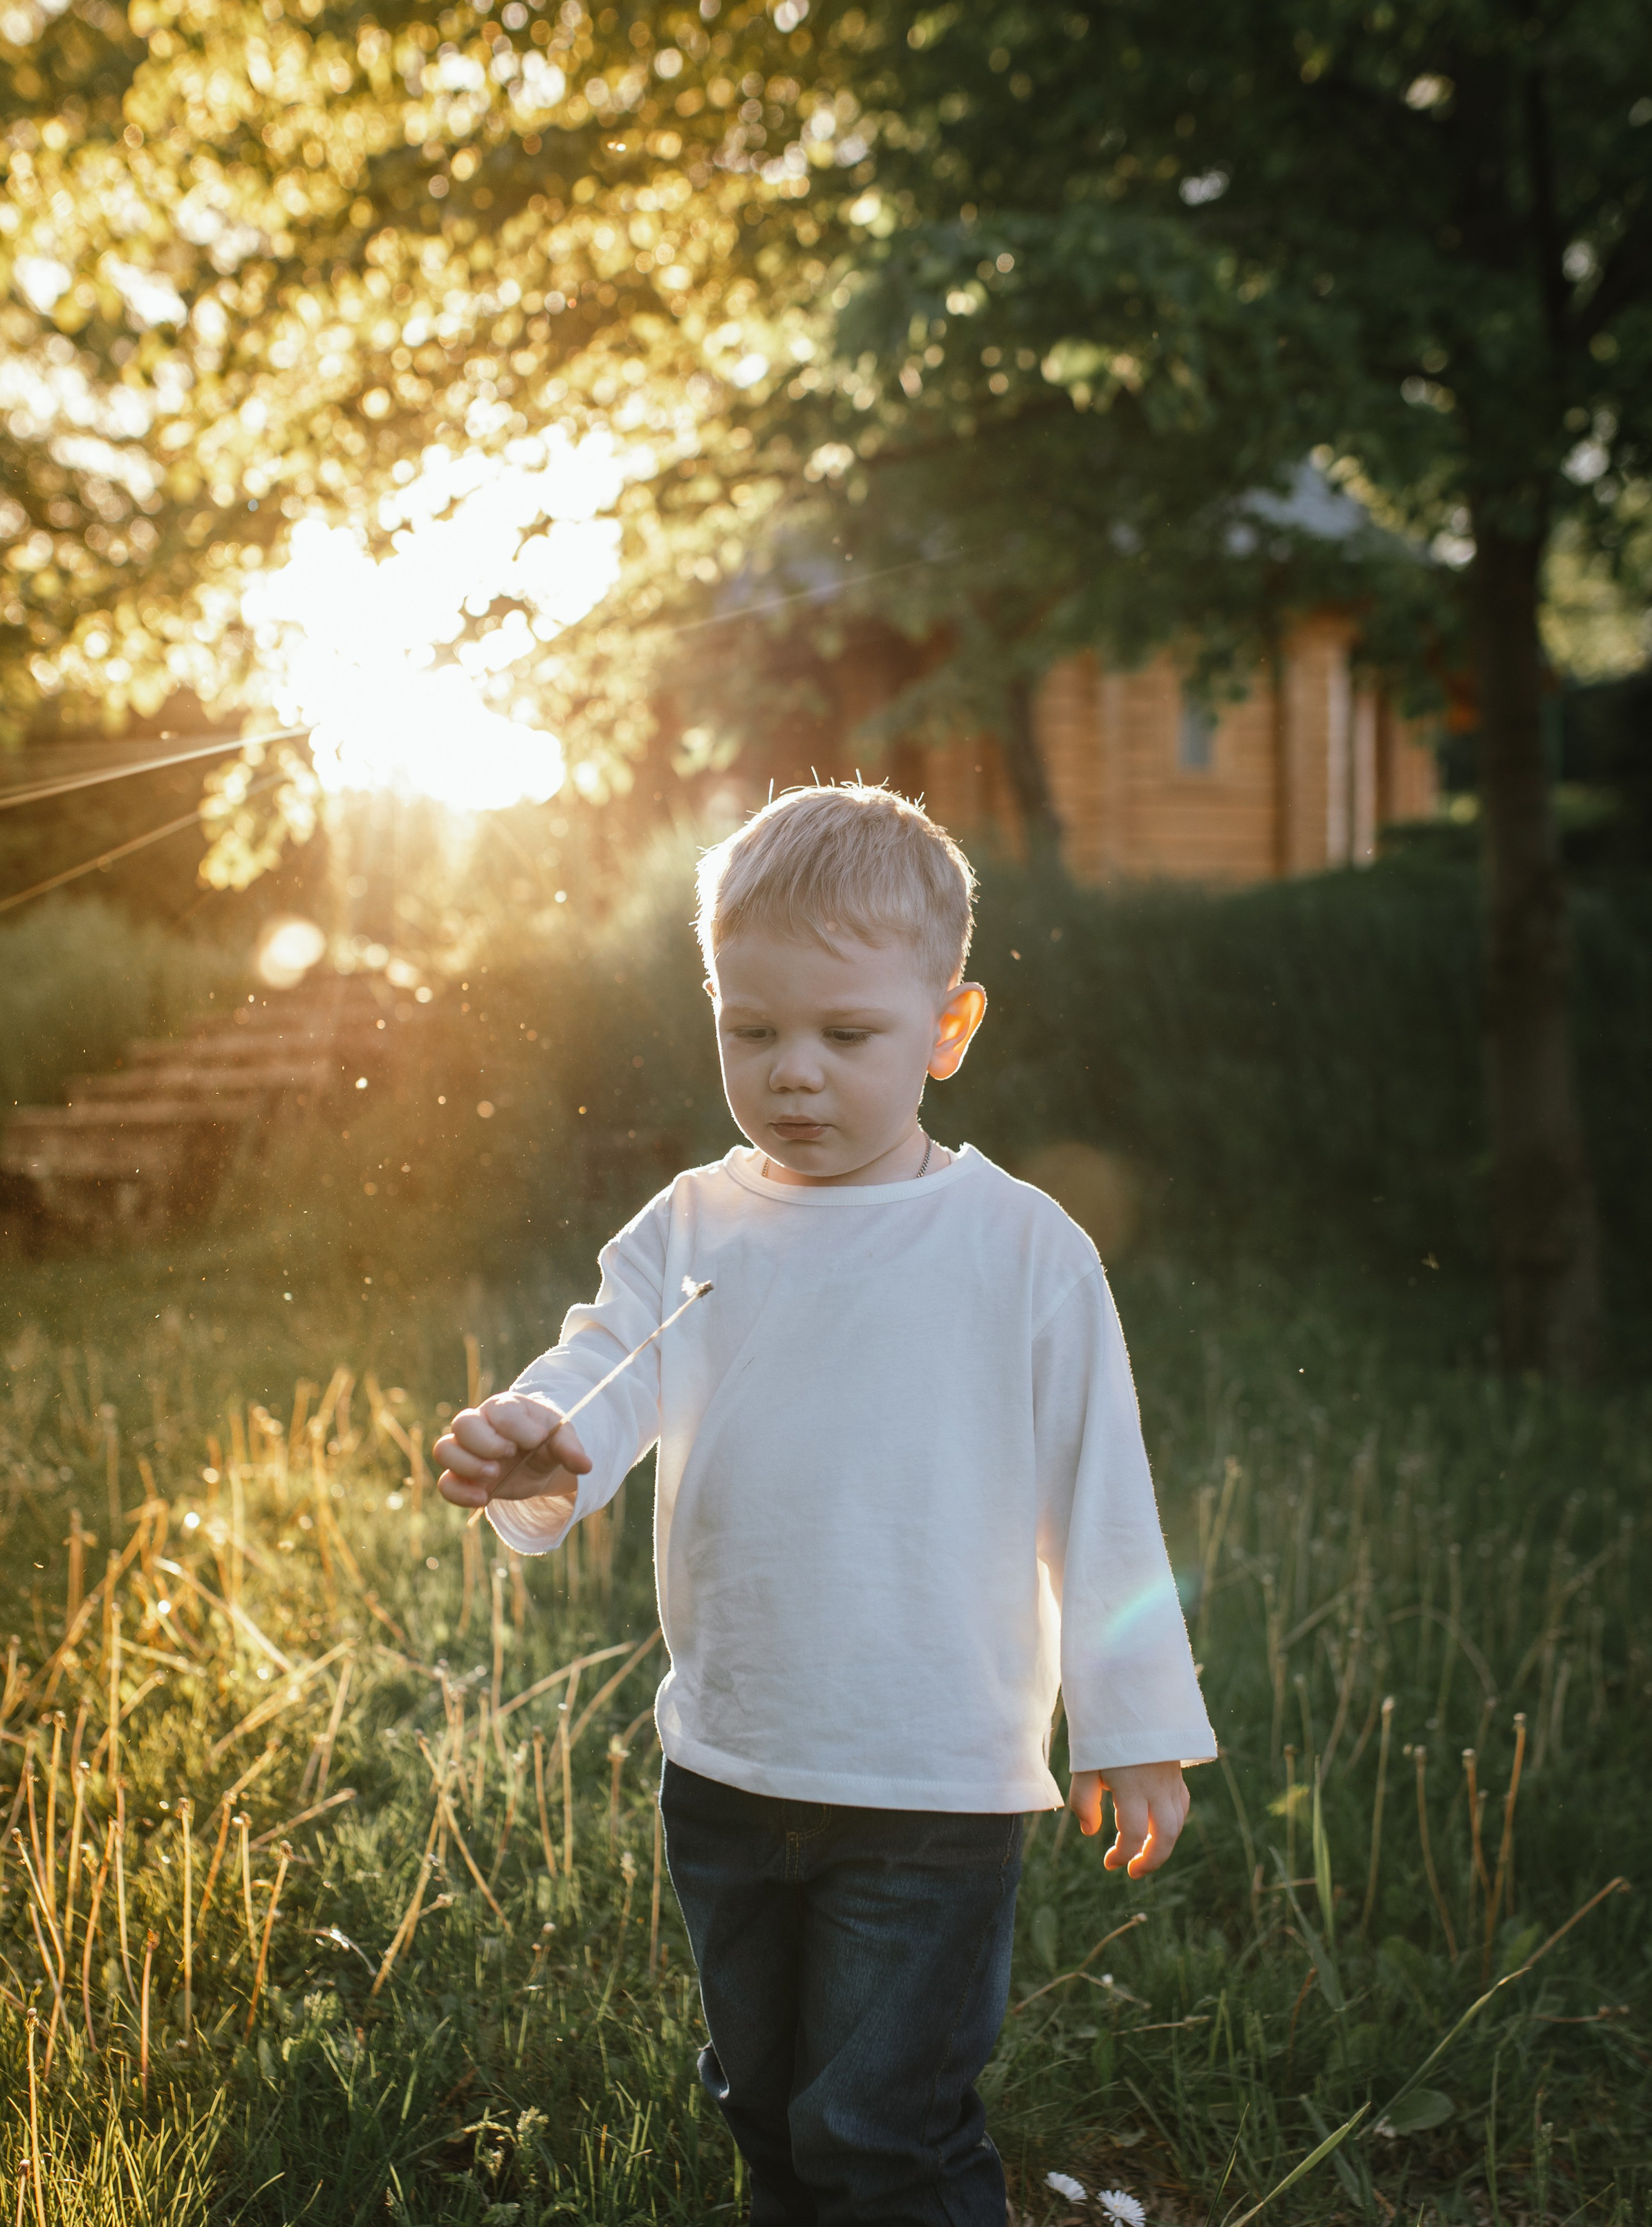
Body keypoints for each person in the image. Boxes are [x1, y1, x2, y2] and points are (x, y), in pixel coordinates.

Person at [434, 784, 1217, 2227]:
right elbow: (605, 1365)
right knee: (765, 2103)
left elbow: (1100, 1488)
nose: (793, 1073)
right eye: (753, 1031)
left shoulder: (1020, 1249)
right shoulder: (694, 1222)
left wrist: (1134, 1721)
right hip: (730, 1761)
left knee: (880, 2127)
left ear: (947, 1028)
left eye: (846, 1035)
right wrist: (546, 1440)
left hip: (929, 1779)